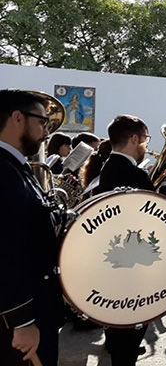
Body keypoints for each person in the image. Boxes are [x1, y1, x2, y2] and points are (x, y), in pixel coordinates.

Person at [97, 114, 166, 366]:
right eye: (145, 139)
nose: (147, 145)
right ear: (134, 138)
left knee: (122, 337)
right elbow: (153, 215)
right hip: (130, 262)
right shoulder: (128, 172)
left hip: (121, 256)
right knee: (129, 333)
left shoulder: (113, 165)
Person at [0, 90, 65, 366]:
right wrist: (21, 319)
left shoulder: (15, 167)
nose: (47, 132)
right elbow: (5, 250)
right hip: (16, 324)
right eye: (42, 122)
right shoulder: (3, 171)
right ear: (17, 118)